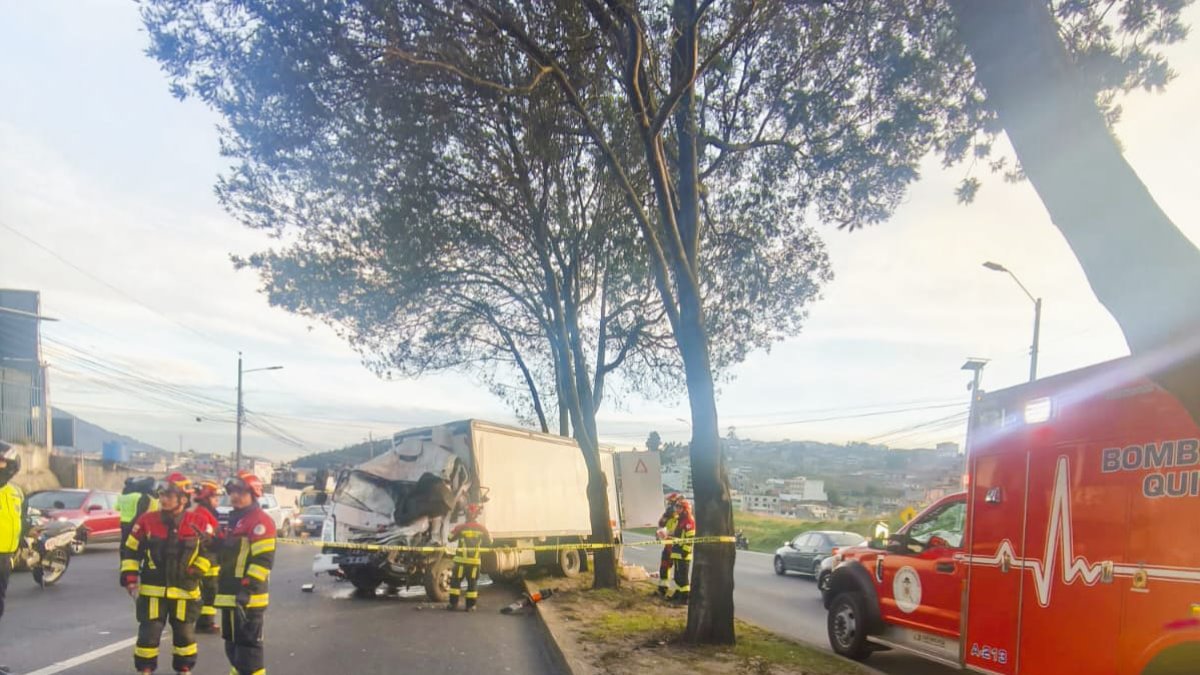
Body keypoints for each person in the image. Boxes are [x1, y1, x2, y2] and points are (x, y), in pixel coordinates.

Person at [120, 472, 214, 675]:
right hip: (153, 592)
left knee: (185, 636)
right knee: (148, 635)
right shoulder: (147, 521)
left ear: (183, 498)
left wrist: (198, 569)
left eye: (168, 495)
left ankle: (185, 670)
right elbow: (131, 550)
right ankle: (145, 671)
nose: (163, 499)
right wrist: (129, 577)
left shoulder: (197, 521)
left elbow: (211, 551)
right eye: (161, 495)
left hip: (185, 592)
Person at [215, 471, 275, 675]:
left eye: (240, 491)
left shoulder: (259, 521)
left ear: (253, 493)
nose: (234, 496)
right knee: (233, 650)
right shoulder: (237, 520)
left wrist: (246, 590)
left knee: (248, 654)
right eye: (231, 492)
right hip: (231, 598)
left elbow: (263, 561)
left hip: (248, 600)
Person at [446, 502, 490, 612]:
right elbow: (489, 542)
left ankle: (453, 605)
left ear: (466, 514)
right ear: (477, 515)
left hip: (460, 562)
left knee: (455, 583)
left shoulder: (461, 528)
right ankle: (470, 606)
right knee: (472, 584)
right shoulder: (482, 529)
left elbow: (450, 538)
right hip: (474, 562)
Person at [191, 480, 222, 634]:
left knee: (211, 592)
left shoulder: (205, 512)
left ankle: (206, 622)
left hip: (210, 560)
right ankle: (204, 623)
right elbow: (206, 540)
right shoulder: (202, 514)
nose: (218, 500)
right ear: (206, 497)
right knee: (209, 592)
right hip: (206, 561)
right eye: (214, 497)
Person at [670, 498, 696, 604]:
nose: (677, 509)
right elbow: (676, 534)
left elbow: (690, 538)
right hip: (676, 552)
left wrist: (686, 551)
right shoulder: (679, 520)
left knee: (683, 577)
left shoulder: (689, 521)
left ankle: (684, 598)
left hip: (683, 554)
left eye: (679, 507)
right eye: (677, 507)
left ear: (685, 509)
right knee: (677, 577)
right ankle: (678, 594)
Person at [118, 476, 159, 543]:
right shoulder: (155, 496)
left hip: (143, 525)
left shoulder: (145, 498)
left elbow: (139, 514)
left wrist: (130, 528)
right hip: (152, 525)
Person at [655, 493, 681, 597]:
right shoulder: (669, 516)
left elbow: (679, 531)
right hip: (668, 545)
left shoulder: (681, 517)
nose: (668, 505)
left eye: (670, 503)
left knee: (680, 571)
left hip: (677, 547)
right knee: (664, 567)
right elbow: (661, 523)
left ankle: (680, 592)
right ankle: (663, 588)